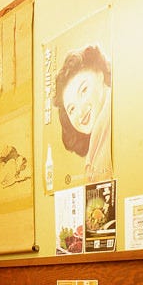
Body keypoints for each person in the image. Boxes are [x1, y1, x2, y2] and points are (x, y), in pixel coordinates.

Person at [53, 44, 113, 182]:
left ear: (100, 74)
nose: (80, 112)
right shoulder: (98, 141)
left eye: (84, 90)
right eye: (72, 109)